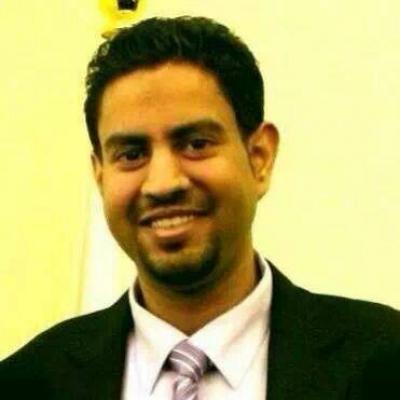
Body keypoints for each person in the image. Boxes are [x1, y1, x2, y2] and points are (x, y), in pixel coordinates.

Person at [0, 16, 399, 399]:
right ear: (100, 175)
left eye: (195, 144)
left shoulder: (384, 362)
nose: (162, 183)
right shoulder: (26, 384)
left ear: (259, 157)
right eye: (132, 154)